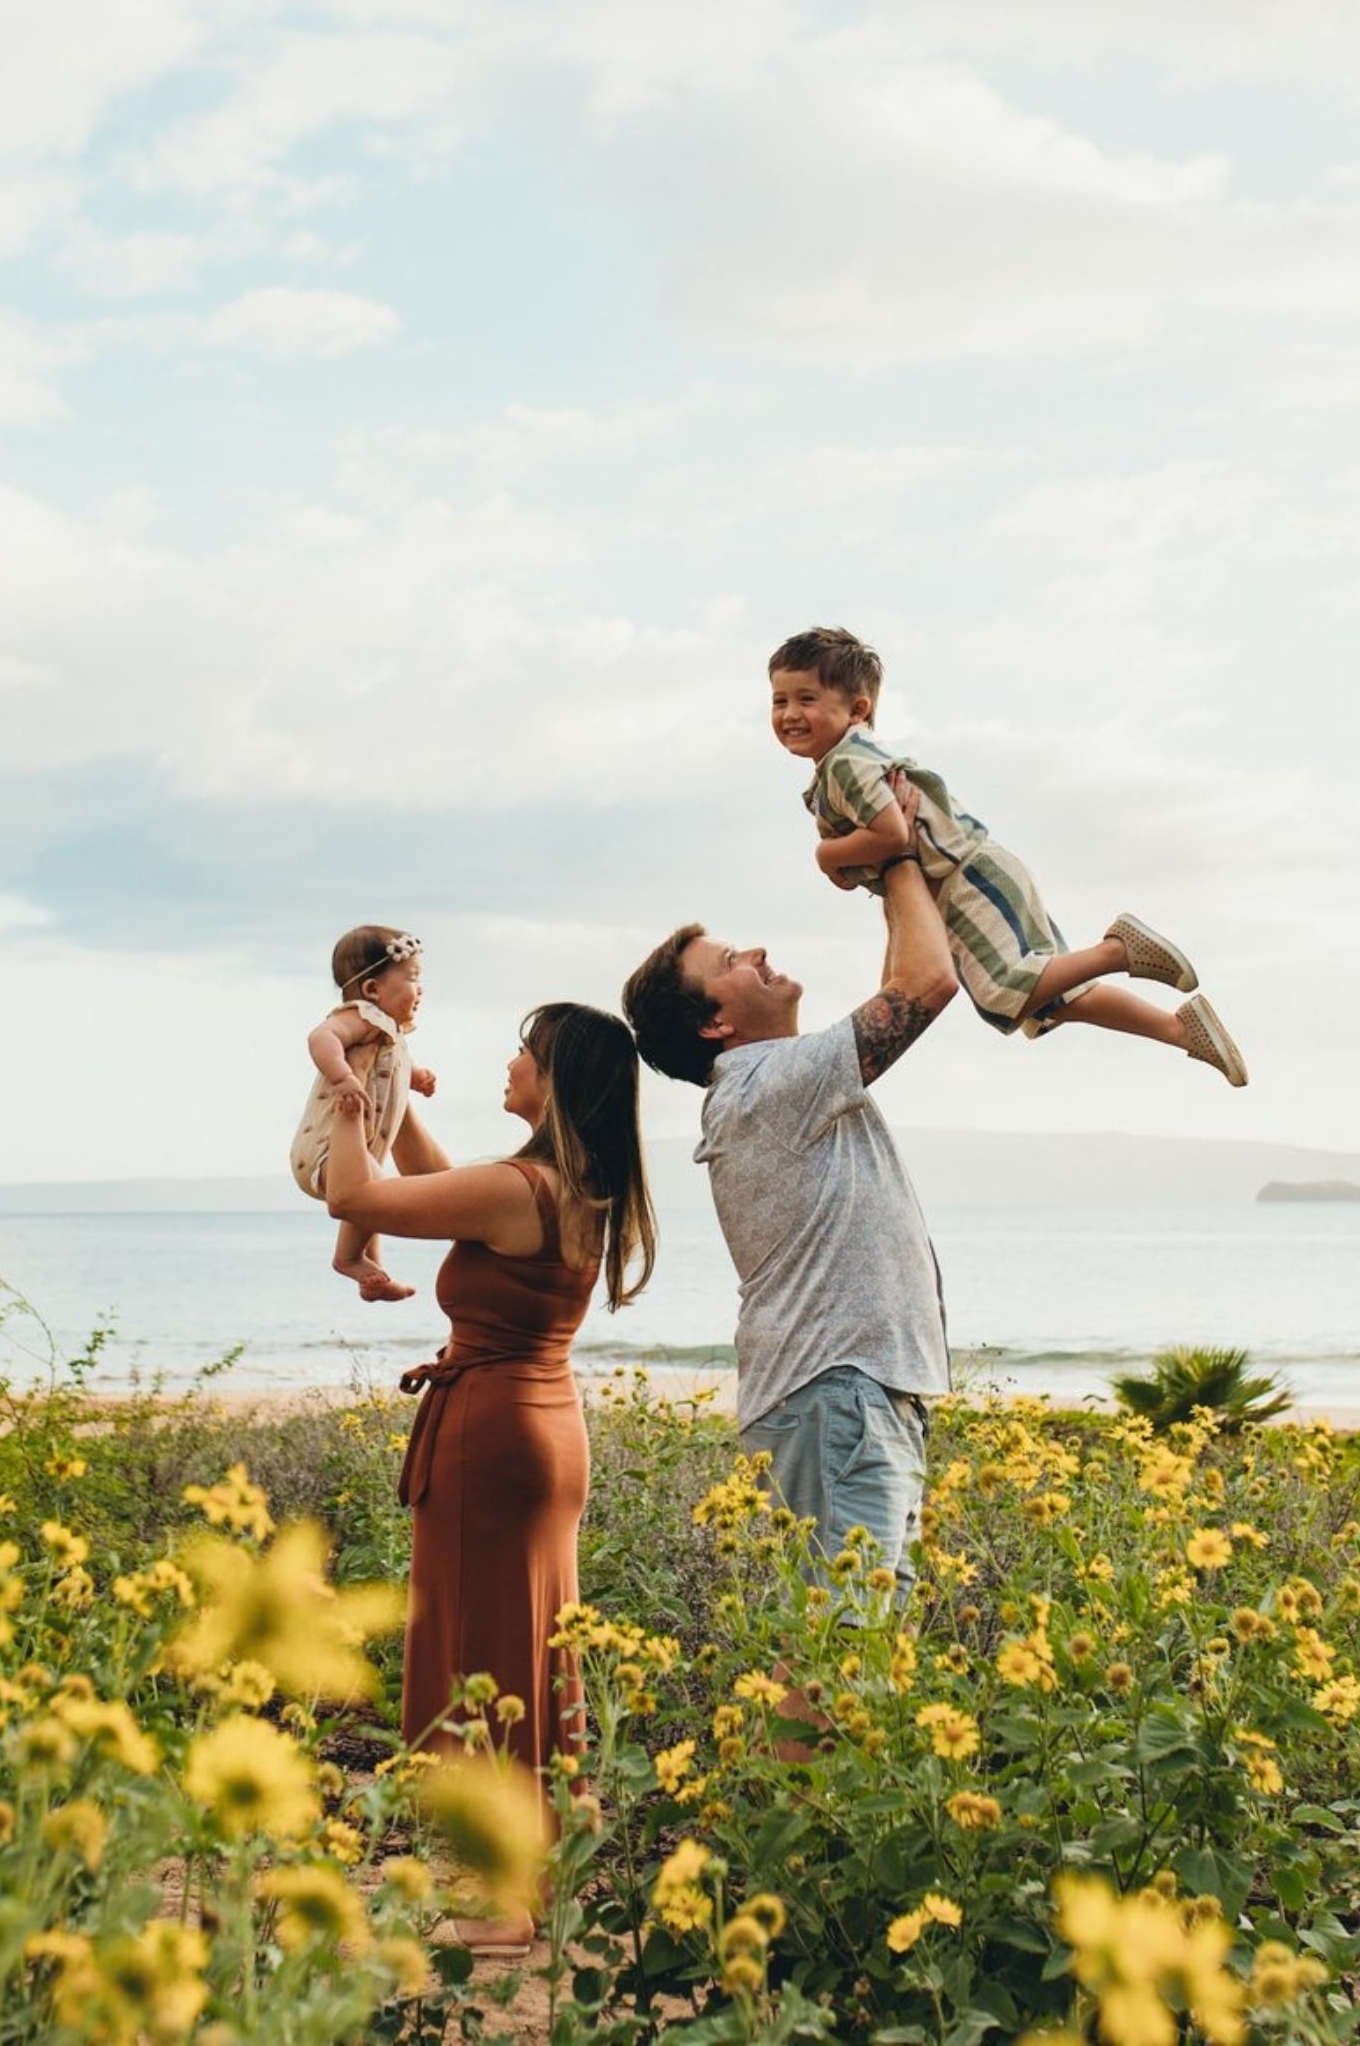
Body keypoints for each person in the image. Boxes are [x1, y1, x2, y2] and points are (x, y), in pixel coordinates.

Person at [322, 999, 656, 1936]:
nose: (509, 1063)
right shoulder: (566, 1182)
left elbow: (356, 1198)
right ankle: (535, 1874)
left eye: (525, 1052)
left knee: (486, 1651)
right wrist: (391, 1086)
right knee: (531, 1644)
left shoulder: (521, 1190)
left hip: (495, 1436)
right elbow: (440, 1180)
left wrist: (346, 1105)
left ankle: (503, 1896)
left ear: (553, 1082)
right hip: (541, 1428)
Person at [620, 804, 955, 1588]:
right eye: (732, 958)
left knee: (854, 1647)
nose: (759, 951)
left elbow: (902, 979)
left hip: (851, 1393)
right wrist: (895, 854)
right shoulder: (766, 1084)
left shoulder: (776, 1083)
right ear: (715, 1023)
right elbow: (926, 983)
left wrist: (883, 874)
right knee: (849, 1647)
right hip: (838, 1394)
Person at [767, 624, 1247, 1086]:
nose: (789, 714)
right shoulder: (837, 771)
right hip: (962, 882)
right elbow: (868, 856)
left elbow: (892, 835)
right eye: (779, 700)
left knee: (1005, 992)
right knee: (1048, 999)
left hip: (966, 880)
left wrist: (825, 855)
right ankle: (1179, 1029)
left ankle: (1117, 950)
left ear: (857, 709)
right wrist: (844, 861)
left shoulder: (849, 763)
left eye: (806, 699)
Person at [289, 925, 438, 1300]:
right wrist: (341, 1077)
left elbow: (398, 1062)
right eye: (413, 979)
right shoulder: (362, 1016)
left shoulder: (390, 1033)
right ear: (372, 989)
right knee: (377, 1194)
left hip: (358, 1153)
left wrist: (416, 1076)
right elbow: (321, 1037)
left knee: (376, 1202)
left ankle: (372, 1275)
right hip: (325, 1150)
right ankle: (348, 1259)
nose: (421, 990)